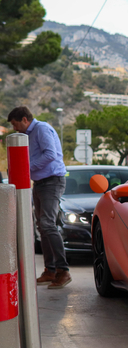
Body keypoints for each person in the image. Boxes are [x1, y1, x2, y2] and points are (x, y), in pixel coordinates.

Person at [7, 106, 70, 289]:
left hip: (52, 181)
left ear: (25, 119)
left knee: (48, 224)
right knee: (42, 227)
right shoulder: (28, 134)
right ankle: (50, 270)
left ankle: (63, 270)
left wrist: (25, 167)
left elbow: (51, 154)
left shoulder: (41, 129)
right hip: (40, 183)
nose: (14, 128)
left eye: (15, 124)